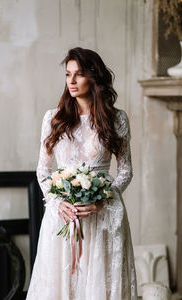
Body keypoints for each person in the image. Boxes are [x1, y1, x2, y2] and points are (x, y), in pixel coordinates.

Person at [26, 47, 137, 300]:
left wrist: (104, 198)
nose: (72, 81)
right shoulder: (53, 118)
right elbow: (43, 170)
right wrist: (56, 202)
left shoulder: (116, 119)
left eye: (78, 74)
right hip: (63, 216)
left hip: (103, 217)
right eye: (67, 74)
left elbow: (126, 170)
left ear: (94, 77)